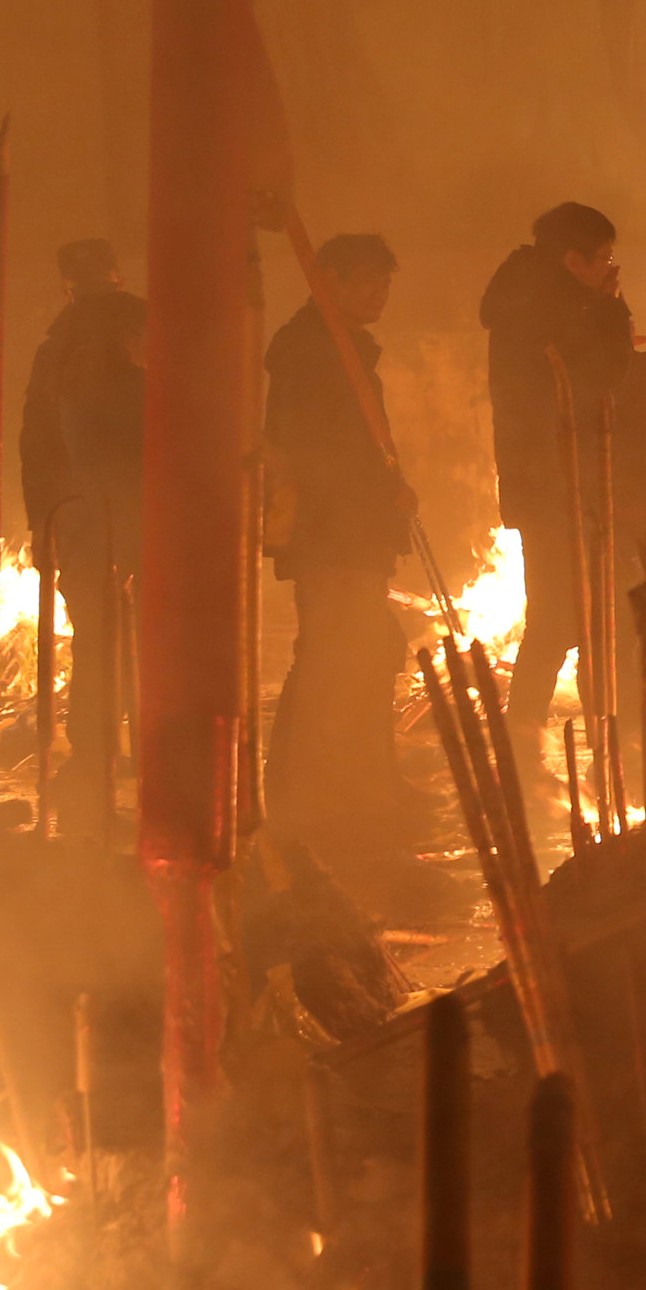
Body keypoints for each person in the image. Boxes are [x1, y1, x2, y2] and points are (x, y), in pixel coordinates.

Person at [264, 230, 418, 870]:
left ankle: (357, 783)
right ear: (326, 279)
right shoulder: (309, 351)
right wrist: (377, 497)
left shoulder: (344, 347)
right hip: (332, 534)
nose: (377, 292)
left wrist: (389, 495)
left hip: (356, 531)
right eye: (364, 280)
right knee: (330, 656)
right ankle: (308, 799)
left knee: (363, 651)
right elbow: (313, 450)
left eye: (384, 282)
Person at [479, 203, 640, 795]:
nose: (609, 269)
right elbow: (605, 373)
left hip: (552, 478)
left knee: (571, 610)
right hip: (560, 480)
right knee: (567, 613)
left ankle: (534, 744)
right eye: (602, 260)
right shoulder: (552, 307)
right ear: (573, 260)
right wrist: (611, 307)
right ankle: (530, 747)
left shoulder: (530, 295)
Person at [17, 240, 145, 833]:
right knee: (130, 639)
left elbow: (36, 446)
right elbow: (41, 444)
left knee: (103, 642)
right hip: (117, 513)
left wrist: (46, 517)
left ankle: (100, 756)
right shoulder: (84, 346)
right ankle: (123, 753)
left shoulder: (60, 349)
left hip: (97, 513)